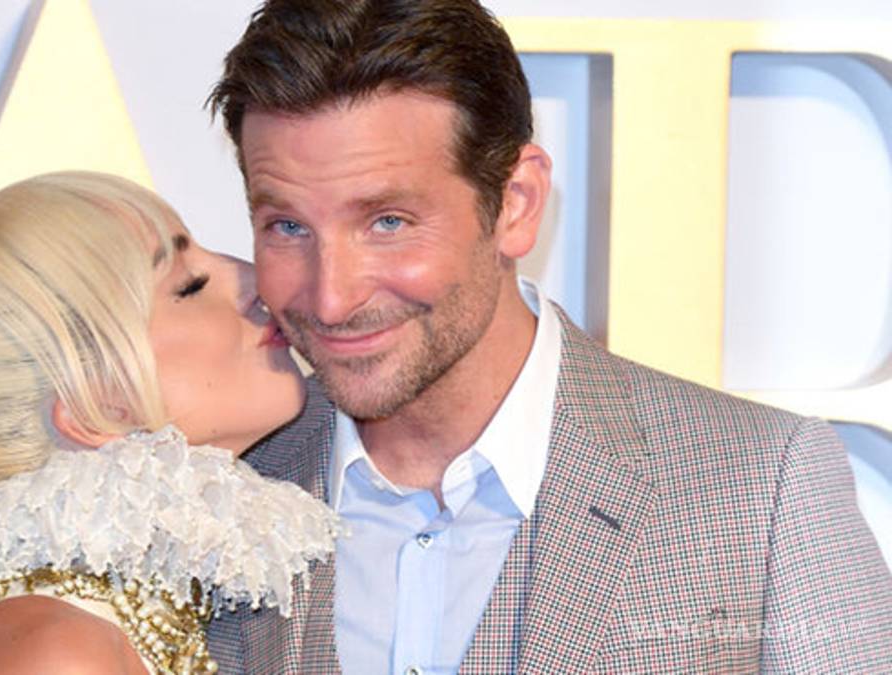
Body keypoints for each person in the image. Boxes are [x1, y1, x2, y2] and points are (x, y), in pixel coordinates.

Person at [204, 0, 892, 672]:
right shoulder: (218, 486)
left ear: (516, 204)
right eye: (288, 226)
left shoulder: (760, 486)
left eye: (388, 222)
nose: (332, 297)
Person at [0, 171, 340, 674]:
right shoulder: (53, 654)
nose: (255, 279)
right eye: (190, 286)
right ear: (90, 409)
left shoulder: (102, 614)